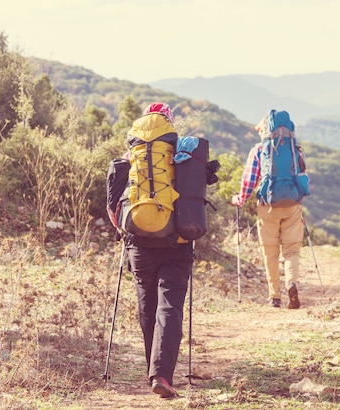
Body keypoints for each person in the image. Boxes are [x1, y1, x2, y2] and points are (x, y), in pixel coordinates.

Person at [124, 102, 193, 398]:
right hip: (176, 242)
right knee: (170, 306)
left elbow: (116, 201)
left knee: (147, 306)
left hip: (139, 241)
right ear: (169, 122)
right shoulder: (182, 149)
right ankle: (162, 374)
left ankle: (152, 370)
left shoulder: (131, 153)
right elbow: (194, 196)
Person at [232, 109, 307, 309]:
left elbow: (249, 181)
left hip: (268, 206)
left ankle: (274, 297)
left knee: (270, 252)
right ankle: (291, 283)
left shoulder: (258, 150)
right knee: (292, 251)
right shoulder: (295, 149)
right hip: (292, 205)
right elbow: (303, 177)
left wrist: (240, 199)